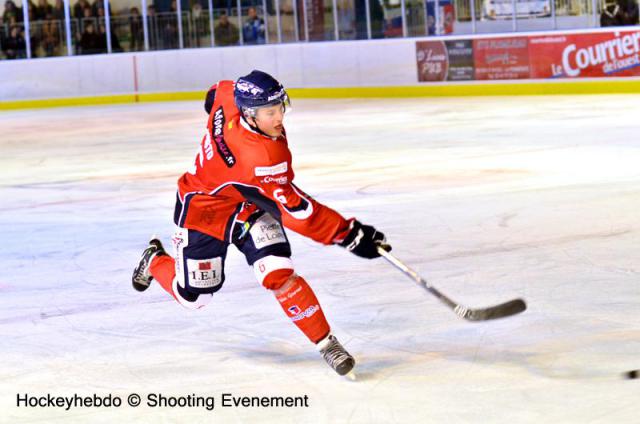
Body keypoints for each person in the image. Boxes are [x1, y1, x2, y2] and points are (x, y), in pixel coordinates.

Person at [132, 70, 390, 376]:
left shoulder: (231, 97)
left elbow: (216, 92)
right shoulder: (260, 156)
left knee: (278, 272)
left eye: (280, 106)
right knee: (195, 297)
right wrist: (350, 235)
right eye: (270, 112)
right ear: (250, 115)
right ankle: (155, 260)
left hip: (247, 204)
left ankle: (325, 342)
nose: (279, 117)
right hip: (204, 211)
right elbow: (300, 214)